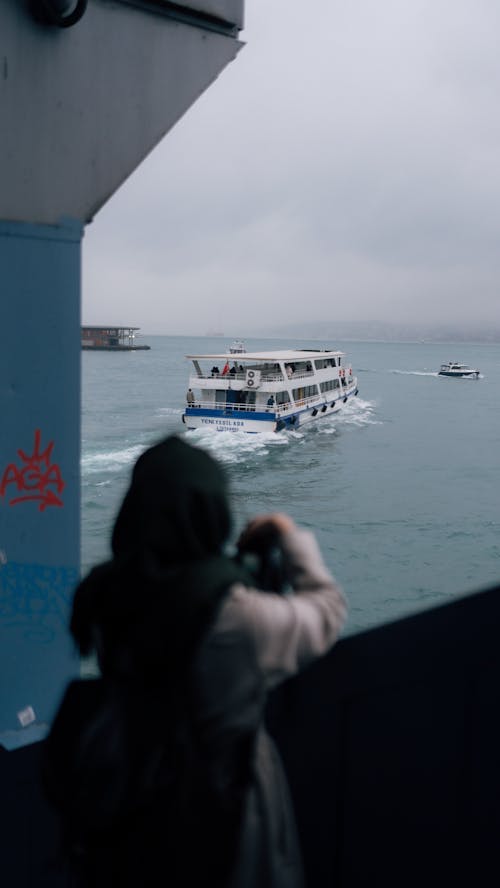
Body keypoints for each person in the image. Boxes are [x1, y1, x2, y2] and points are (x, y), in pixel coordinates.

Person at [43, 436, 346, 888]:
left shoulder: (105, 596)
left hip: (123, 807)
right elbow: (325, 612)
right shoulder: (232, 616)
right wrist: (288, 534)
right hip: (217, 815)